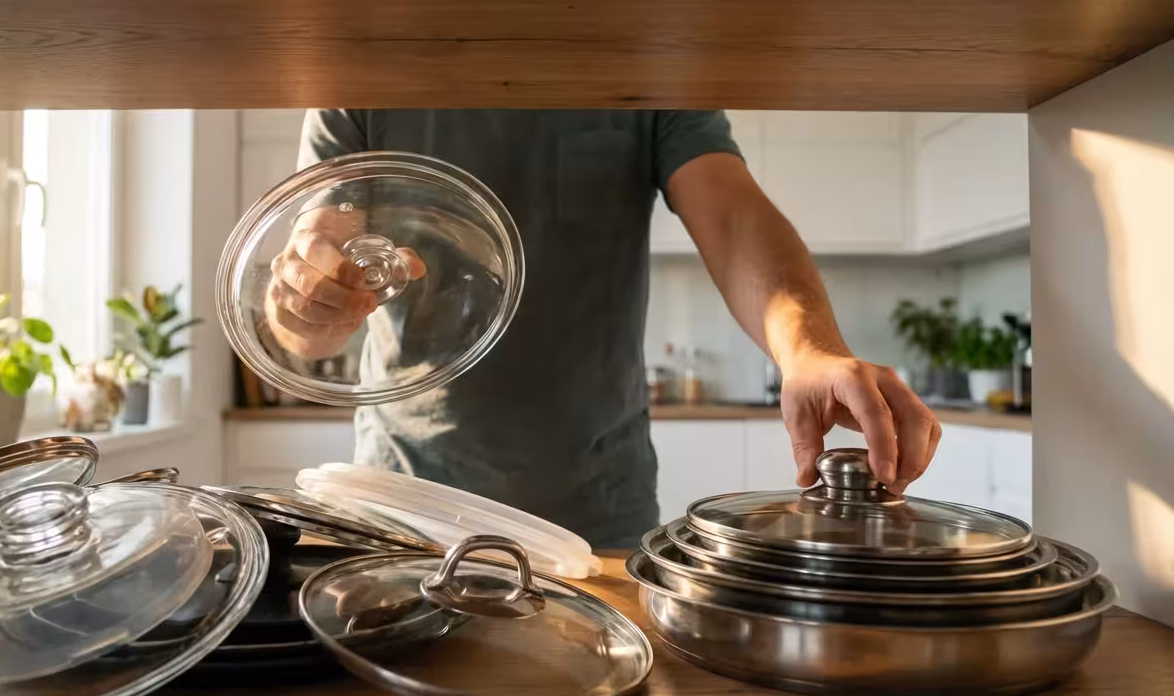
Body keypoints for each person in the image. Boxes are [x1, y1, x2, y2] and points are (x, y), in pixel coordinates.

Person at [266, 109, 941, 550]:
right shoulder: (362, 68)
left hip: (595, 518)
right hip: (403, 506)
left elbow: (733, 215)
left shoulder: (645, 47)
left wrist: (810, 350)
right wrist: (307, 299)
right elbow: (312, 308)